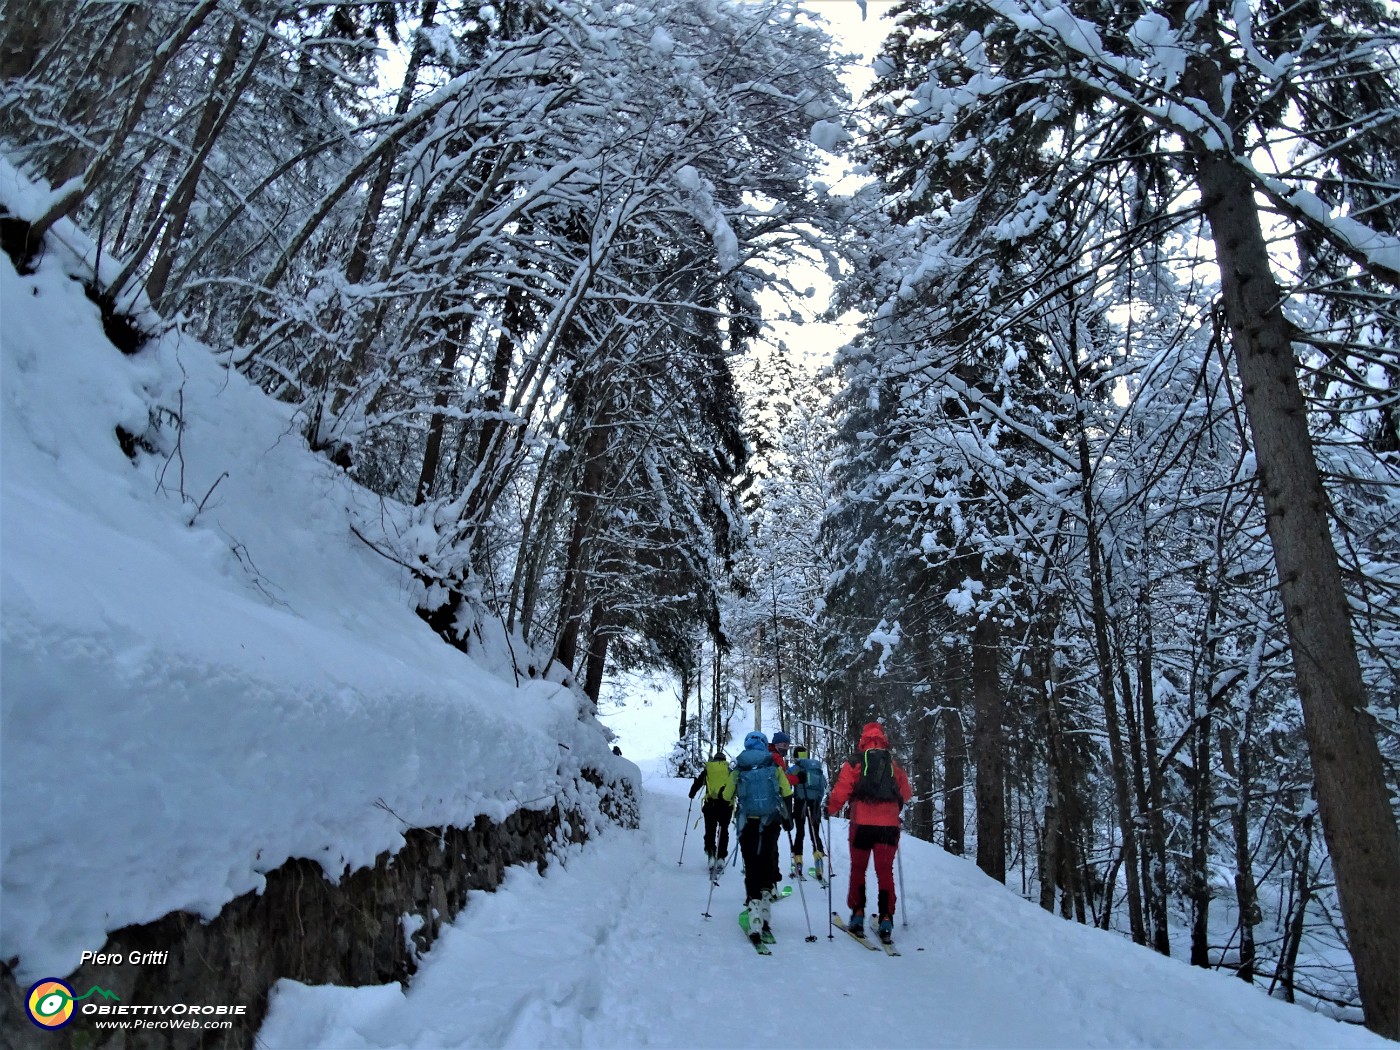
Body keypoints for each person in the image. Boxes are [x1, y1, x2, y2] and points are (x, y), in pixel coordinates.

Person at [826, 721, 912, 944]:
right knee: (885, 872)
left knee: (858, 869)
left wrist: (829, 809)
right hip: (888, 827)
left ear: (863, 740)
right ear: (883, 739)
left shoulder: (855, 762)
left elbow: (841, 791)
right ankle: (886, 918)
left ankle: (857, 914)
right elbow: (907, 793)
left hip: (861, 824)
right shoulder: (893, 764)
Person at [724, 730, 794, 945]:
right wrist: (788, 817)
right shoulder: (772, 765)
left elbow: (727, 795)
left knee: (751, 865)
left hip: (748, 824)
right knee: (766, 860)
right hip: (771, 822)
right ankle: (765, 911)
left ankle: (753, 911)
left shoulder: (740, 767)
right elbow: (786, 791)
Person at [688, 750, 734, 879]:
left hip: (710, 804)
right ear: (724, 760)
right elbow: (734, 785)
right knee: (723, 830)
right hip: (726, 805)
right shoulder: (729, 770)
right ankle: (721, 857)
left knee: (710, 830)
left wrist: (692, 793)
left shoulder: (708, 769)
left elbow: (698, 783)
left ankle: (711, 854)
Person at [788, 745, 827, 881]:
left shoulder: (797, 767)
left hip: (801, 803)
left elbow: (785, 778)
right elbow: (824, 785)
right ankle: (819, 865)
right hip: (815, 803)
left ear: (795, 756)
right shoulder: (815, 767)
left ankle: (798, 863)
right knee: (815, 834)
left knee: (800, 833)